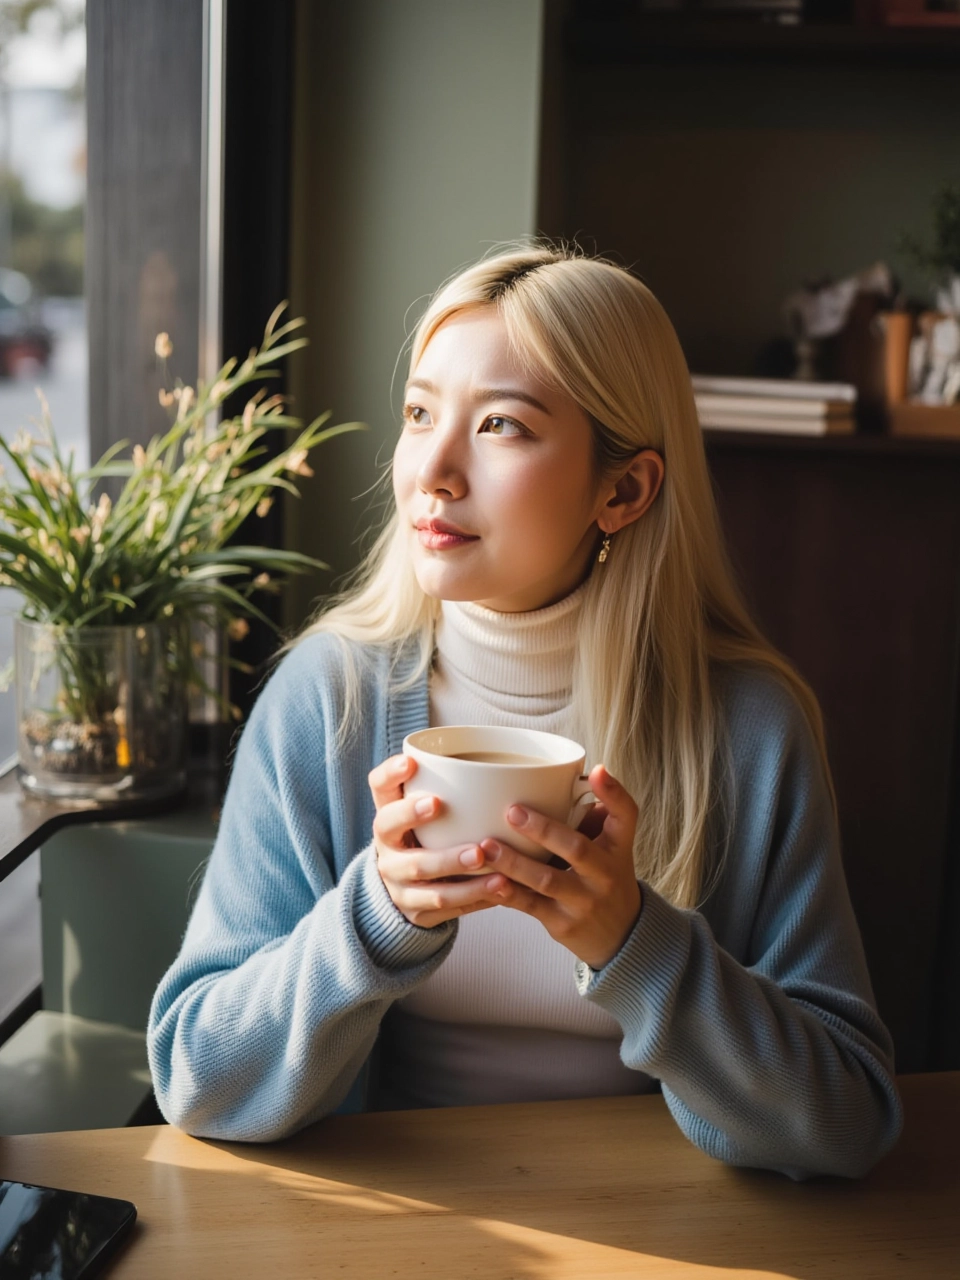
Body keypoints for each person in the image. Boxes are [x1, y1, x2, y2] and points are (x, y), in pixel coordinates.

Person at [147, 244, 902, 1179]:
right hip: (399, 1220)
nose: (435, 469)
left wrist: (635, 942)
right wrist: (374, 920)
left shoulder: (746, 728)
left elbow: (846, 1120)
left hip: (667, 1224)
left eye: (501, 425)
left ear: (622, 491)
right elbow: (198, 1080)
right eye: (421, 413)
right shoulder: (328, 699)